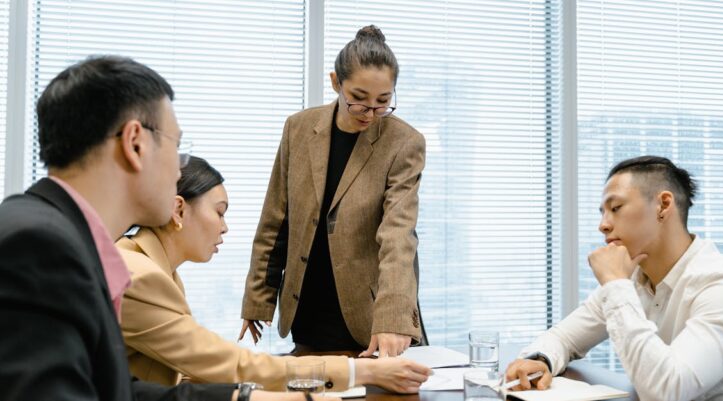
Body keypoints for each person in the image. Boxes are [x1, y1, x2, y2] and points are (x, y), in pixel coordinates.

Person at [0, 55, 332, 401]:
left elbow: (112, 392)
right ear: (135, 143)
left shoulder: (60, 236)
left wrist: (246, 397)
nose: (178, 170)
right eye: (177, 148)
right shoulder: (39, 246)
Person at [117, 156, 430, 392]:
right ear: (178, 209)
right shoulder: (141, 276)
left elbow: (191, 369)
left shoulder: (149, 265)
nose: (224, 227)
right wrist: (364, 373)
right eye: (219, 212)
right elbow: (227, 365)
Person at [505, 156, 723, 400]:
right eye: (602, 212)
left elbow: (667, 391)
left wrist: (615, 285)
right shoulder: (632, 278)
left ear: (663, 205)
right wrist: (541, 359)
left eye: (616, 207)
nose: (603, 225)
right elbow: (564, 338)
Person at [240, 25, 426, 357]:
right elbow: (275, 221)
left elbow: (399, 235)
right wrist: (258, 299)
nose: (370, 113)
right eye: (359, 100)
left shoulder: (403, 143)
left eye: (383, 102)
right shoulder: (298, 129)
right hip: (307, 310)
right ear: (336, 82)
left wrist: (393, 318)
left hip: (371, 324)